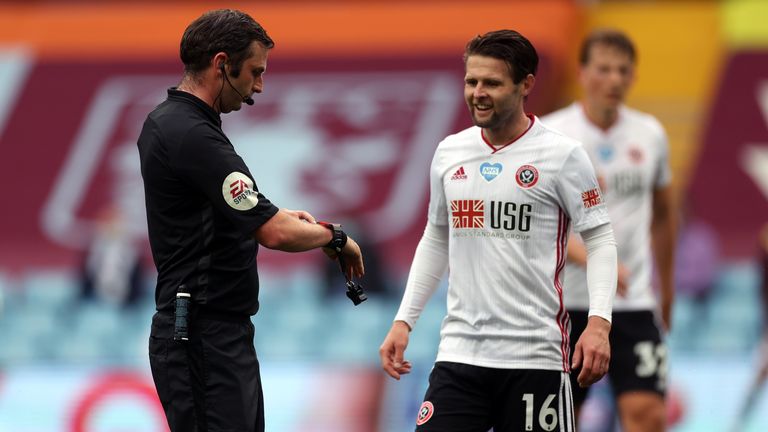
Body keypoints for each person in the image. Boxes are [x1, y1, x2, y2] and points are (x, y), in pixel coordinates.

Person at [136, 9, 364, 432]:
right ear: (222, 64)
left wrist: (277, 213)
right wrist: (335, 237)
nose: (258, 86)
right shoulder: (192, 134)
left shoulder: (175, 124)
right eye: (255, 72)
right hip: (203, 334)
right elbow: (274, 232)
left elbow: (234, 211)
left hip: (212, 332)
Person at [379, 29, 618, 432]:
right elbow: (437, 237)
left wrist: (598, 323)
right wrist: (404, 320)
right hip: (460, 355)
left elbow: (600, 239)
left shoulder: (563, 156)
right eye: (471, 81)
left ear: (526, 85)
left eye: (492, 82)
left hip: (535, 357)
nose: (478, 92)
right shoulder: (449, 152)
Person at [541, 29, 677, 431]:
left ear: (634, 76)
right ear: (582, 73)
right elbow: (538, 224)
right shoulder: (550, 136)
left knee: (648, 416)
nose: (614, 80)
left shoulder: (650, 134)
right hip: (564, 303)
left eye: (623, 71)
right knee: (561, 420)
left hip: (632, 303)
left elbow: (665, 214)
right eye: (604, 69)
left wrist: (666, 290)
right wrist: (596, 259)